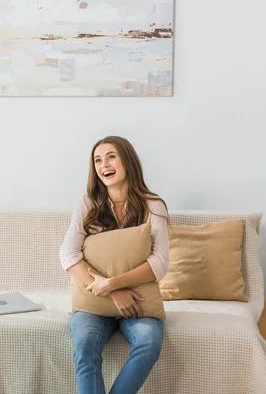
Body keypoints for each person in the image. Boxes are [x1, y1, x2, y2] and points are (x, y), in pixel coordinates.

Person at [60, 136, 170, 394]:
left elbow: (161, 262)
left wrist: (114, 283)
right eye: (97, 160)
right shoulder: (88, 204)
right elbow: (68, 256)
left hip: (138, 300)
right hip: (94, 303)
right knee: (85, 347)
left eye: (111, 156)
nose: (103, 165)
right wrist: (112, 292)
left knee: (149, 342)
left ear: (127, 161)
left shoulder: (153, 206)